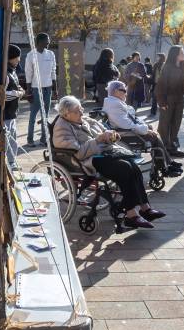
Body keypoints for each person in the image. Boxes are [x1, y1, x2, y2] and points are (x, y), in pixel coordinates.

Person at [52, 95, 165, 229]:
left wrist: (112, 135)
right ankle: (131, 215)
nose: (82, 112)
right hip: (88, 160)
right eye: (77, 111)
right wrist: (98, 140)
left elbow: (104, 130)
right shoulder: (62, 128)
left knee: (133, 167)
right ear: (66, 114)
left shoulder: (85, 120)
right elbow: (79, 153)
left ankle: (145, 208)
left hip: (105, 153)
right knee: (124, 169)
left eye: (81, 109)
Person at [155, 45, 184, 158]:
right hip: (168, 99)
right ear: (175, 54)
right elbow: (160, 86)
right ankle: (164, 148)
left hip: (179, 100)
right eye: (181, 52)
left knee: (176, 124)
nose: (183, 54)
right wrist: (162, 102)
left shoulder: (183, 67)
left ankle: (173, 147)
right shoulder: (167, 67)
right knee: (165, 125)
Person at [24, 32, 57, 147]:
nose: (48, 43)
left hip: (48, 88)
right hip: (35, 89)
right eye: (46, 41)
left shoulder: (51, 54)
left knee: (45, 115)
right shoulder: (31, 55)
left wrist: (55, 89)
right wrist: (28, 91)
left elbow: (53, 71)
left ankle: (44, 139)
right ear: (39, 42)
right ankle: (30, 139)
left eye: (48, 41)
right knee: (33, 115)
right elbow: (28, 73)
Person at [2, 44, 25, 151]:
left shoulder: (13, 70)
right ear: (11, 57)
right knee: (6, 142)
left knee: (13, 140)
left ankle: (13, 159)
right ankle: (4, 160)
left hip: (12, 112)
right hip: (5, 114)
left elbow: (16, 84)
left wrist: (21, 90)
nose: (19, 60)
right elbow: (1, 95)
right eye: (17, 57)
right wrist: (17, 93)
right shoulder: (4, 73)